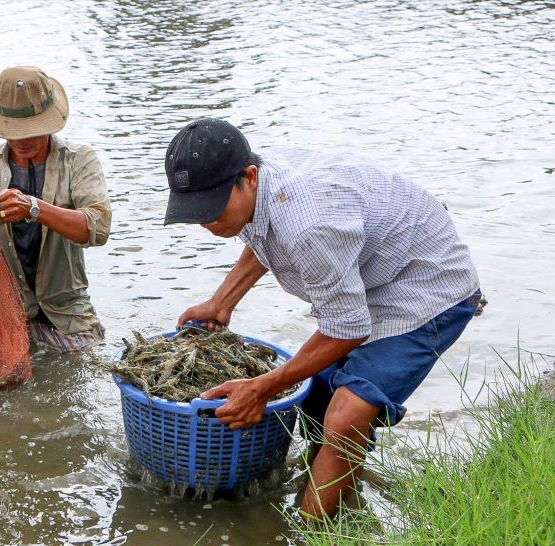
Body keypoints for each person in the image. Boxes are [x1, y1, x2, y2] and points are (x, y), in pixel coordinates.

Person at [163, 118, 481, 519]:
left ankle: (311, 539)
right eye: (195, 211)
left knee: (347, 415)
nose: (207, 222)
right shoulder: (260, 191)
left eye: (212, 208)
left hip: (426, 288)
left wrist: (261, 387)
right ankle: (340, 494)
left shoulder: (310, 223)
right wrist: (221, 302)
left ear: (249, 177)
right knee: (316, 399)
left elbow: (347, 328)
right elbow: (265, 236)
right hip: (371, 274)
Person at [0, 66, 111, 352]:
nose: (20, 140)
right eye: (12, 131)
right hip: (3, 319)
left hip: (69, 318)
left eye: (30, 131)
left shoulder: (79, 161)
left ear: (49, 123)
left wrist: (34, 207)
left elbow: (98, 228)